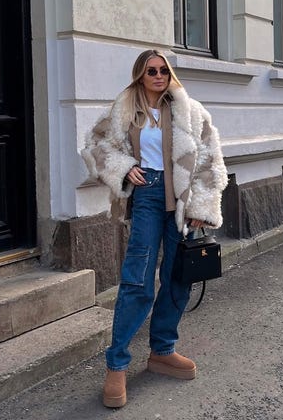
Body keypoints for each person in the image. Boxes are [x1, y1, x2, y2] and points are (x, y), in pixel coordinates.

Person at [82, 49, 228, 408]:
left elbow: (210, 158)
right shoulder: (123, 109)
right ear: (140, 75)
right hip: (146, 195)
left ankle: (162, 350)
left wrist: (201, 207)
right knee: (138, 280)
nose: (159, 75)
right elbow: (95, 145)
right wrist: (123, 167)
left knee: (178, 276)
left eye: (164, 70)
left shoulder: (190, 110)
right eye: (152, 71)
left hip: (181, 198)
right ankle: (116, 364)